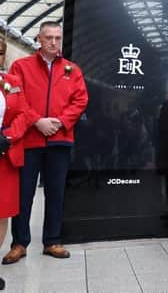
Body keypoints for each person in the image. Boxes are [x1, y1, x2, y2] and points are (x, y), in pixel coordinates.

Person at [3, 22, 88, 264]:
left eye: (58, 38)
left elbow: (80, 100)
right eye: (48, 37)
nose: (53, 42)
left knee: (55, 193)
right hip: (29, 140)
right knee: (24, 194)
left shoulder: (72, 70)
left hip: (59, 141)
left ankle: (52, 241)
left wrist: (60, 122)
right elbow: (17, 99)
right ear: (39, 38)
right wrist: (37, 121)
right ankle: (20, 243)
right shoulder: (21, 66)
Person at [0, 44, 36, 290]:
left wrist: (8, 136)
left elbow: (25, 113)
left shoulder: (11, 81)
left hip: (4, 155)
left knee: (1, 213)